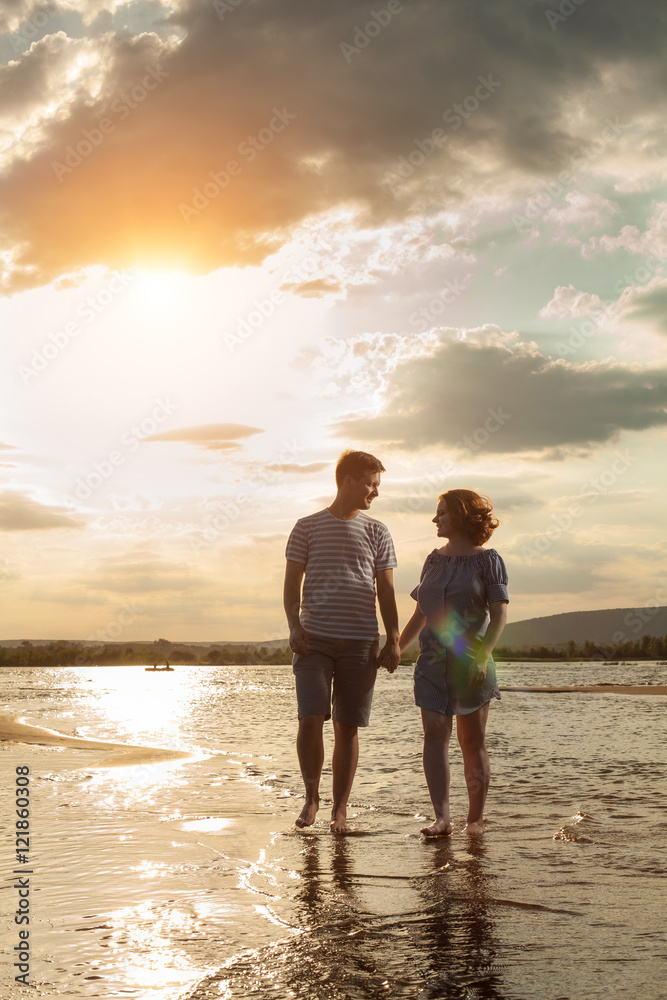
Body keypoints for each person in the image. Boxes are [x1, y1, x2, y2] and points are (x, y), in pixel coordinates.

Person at [284, 449, 401, 833]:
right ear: (348, 480)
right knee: (310, 718)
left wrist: (394, 637)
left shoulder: (377, 531)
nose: (375, 492)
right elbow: (291, 585)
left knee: (347, 727)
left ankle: (340, 809)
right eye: (371, 484)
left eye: (377, 485)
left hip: (360, 643)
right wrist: (294, 626)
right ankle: (311, 796)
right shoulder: (306, 527)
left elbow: (386, 590)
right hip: (313, 639)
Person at [398, 489, 508, 837]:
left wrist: (483, 655)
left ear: (459, 516)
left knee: (471, 742)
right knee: (434, 736)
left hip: (472, 663)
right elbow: (420, 613)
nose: (435, 519)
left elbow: (500, 614)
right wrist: (396, 648)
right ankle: (442, 819)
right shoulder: (432, 560)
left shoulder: (488, 560)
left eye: (441, 513)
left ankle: (474, 820)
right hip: (430, 665)